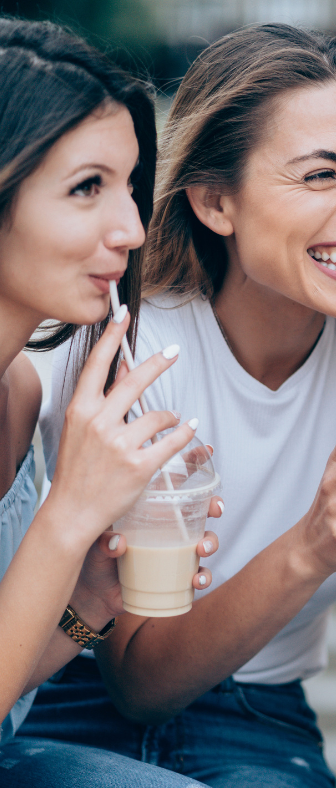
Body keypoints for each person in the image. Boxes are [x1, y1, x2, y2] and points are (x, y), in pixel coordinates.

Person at [24, 23, 336, 788]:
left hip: (263, 718)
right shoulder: (133, 346)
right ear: (216, 201)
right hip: (71, 693)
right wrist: (312, 544)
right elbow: (139, 684)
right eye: (322, 176)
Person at [0, 17, 219, 788]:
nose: (131, 228)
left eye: (130, 186)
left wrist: (91, 595)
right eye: (87, 188)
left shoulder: (18, 393)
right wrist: (70, 510)